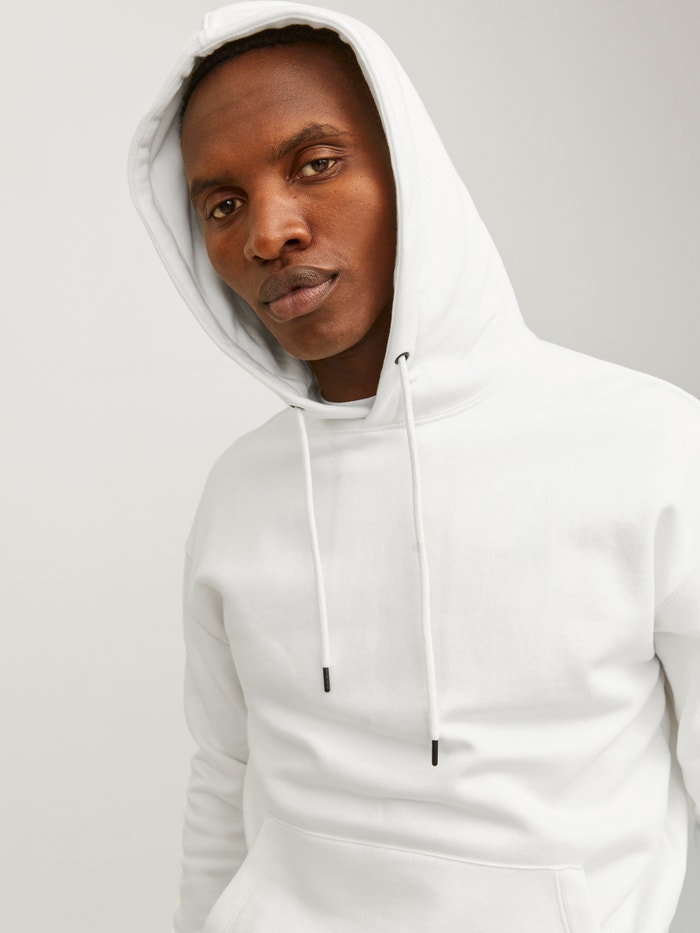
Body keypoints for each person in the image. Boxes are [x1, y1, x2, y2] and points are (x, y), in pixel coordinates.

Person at [129, 3, 700, 931]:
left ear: (409, 171)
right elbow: (223, 779)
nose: (269, 232)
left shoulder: (653, 445)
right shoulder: (240, 489)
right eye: (223, 205)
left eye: (316, 164)